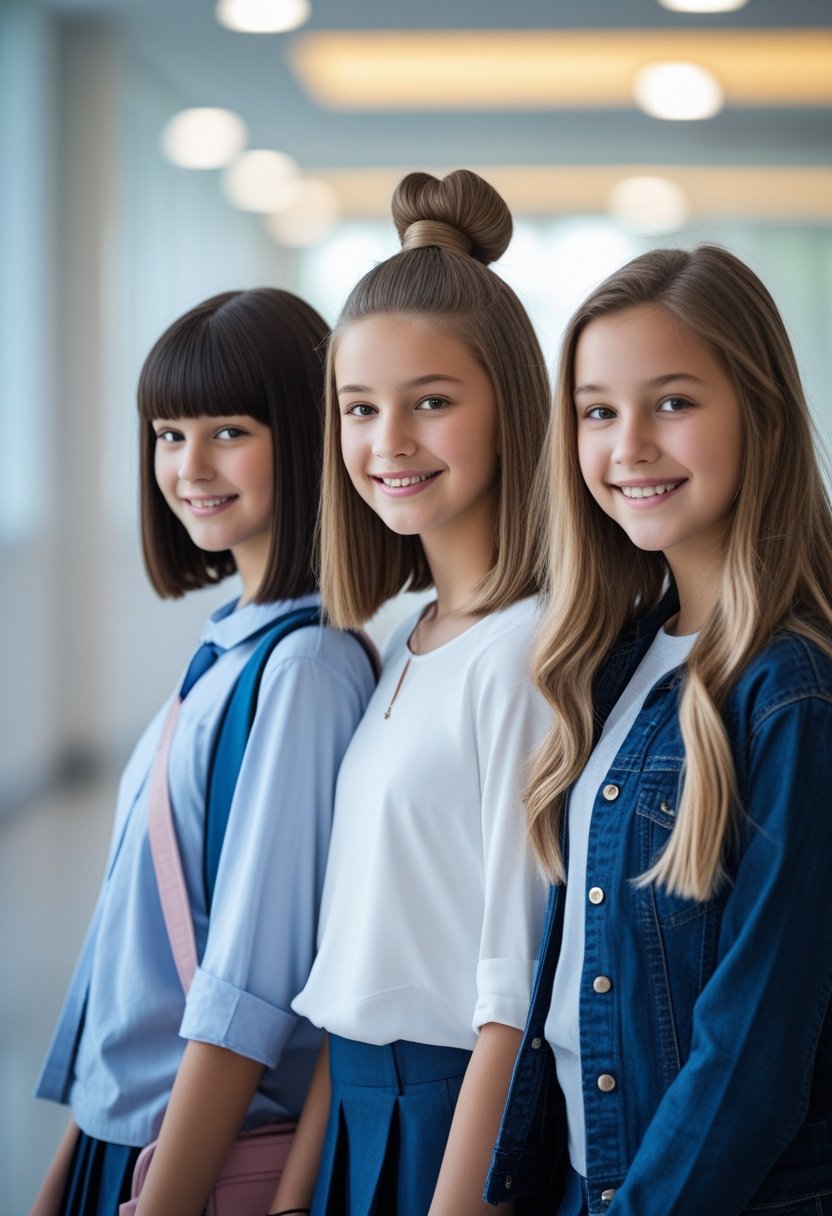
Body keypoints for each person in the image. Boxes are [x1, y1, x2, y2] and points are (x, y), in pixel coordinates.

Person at [485, 245, 832, 1216]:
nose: (628, 445)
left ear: (759, 412)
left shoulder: (794, 692)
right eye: (598, 411)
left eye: (672, 403)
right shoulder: (610, 660)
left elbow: (751, 1061)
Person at [31, 288, 376, 1216]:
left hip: (190, 1159)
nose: (189, 466)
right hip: (128, 1139)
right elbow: (131, 958)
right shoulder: (232, 649)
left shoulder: (303, 670)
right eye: (168, 434)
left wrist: (167, 1196)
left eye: (228, 429)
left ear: (305, 439)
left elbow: (246, 989)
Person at [270, 170, 551, 1216]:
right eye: (358, 408)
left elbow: (506, 998)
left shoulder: (526, 652)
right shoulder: (405, 637)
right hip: (352, 1110)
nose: (386, 441)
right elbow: (355, 962)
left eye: (430, 402)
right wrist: (297, 1191)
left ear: (508, 407)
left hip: (451, 1132)